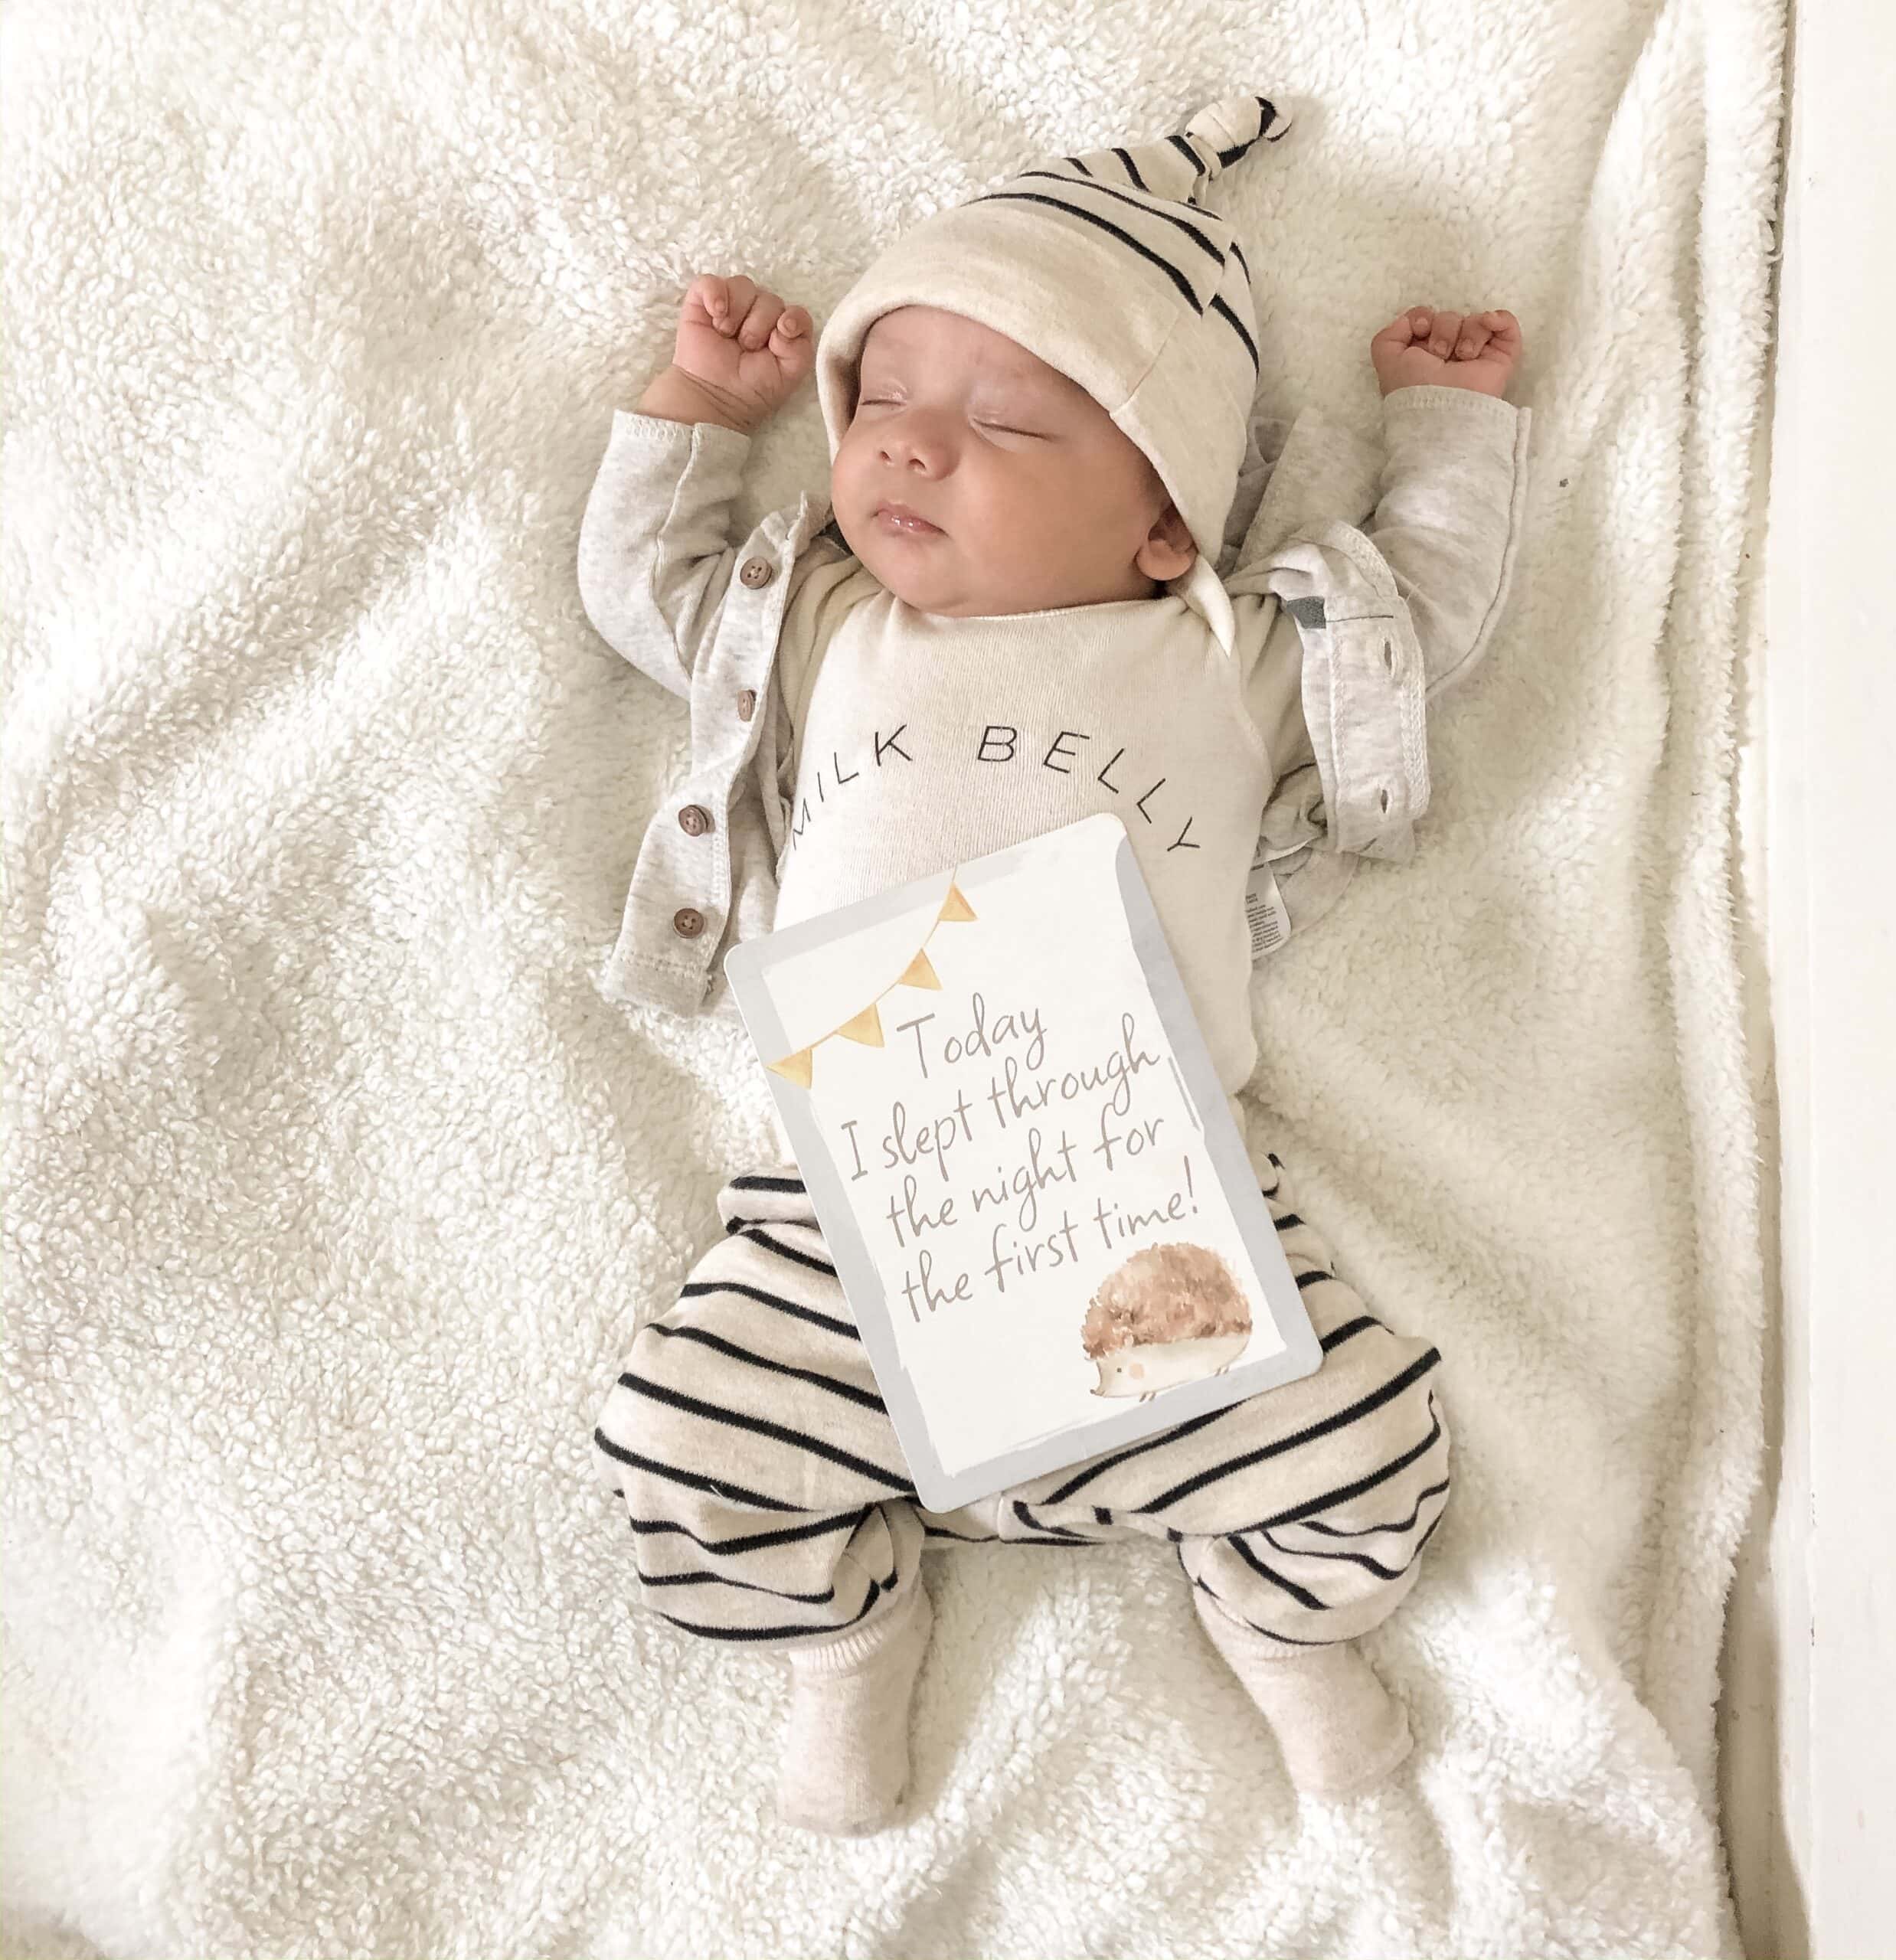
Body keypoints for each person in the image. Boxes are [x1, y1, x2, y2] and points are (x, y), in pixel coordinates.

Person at [578, 93, 1531, 1835]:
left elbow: (1422, 619)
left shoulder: (1223, 653)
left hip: (1151, 1204)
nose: (906, 449)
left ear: (1166, 524)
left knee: (1369, 1453)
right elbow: (652, 589)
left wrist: (1447, 429)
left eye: (1004, 418)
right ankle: (846, 1640)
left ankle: (1282, 1632)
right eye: (877, 402)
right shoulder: (825, 626)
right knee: (680, 1450)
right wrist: (703, 412)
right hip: (845, 1204)